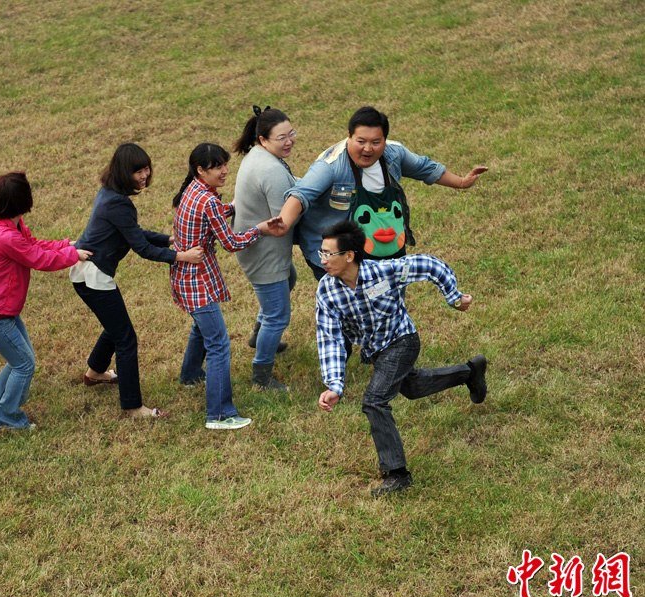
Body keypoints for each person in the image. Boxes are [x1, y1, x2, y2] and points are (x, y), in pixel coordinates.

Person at [315, 221, 488, 496]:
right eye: (320, 252)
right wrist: (335, 384)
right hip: (377, 351)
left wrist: (453, 297)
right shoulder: (327, 290)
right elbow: (330, 337)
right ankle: (470, 373)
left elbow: (429, 265)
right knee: (413, 387)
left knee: (374, 400)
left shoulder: (383, 271)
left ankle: (397, 474)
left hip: (402, 340)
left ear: (349, 255)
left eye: (328, 254)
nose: (322, 260)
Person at [279, 106, 488, 280]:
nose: (368, 149)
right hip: (338, 252)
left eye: (375, 142)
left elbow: (425, 168)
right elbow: (300, 195)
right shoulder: (331, 165)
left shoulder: (394, 154)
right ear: (349, 137)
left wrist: (461, 182)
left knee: (390, 302)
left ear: (385, 140)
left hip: (384, 245)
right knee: (355, 309)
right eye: (361, 141)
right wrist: (284, 223)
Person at [72, 143, 204, 418]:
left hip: (87, 272)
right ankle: (133, 407)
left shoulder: (111, 194)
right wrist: (182, 255)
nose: (145, 175)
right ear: (124, 172)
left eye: (146, 169)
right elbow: (141, 248)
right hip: (93, 276)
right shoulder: (117, 203)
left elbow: (133, 232)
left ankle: (95, 372)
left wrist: (167, 239)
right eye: (138, 171)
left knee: (115, 325)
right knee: (126, 338)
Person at [171, 143, 284, 430]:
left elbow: (214, 214)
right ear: (201, 170)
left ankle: (190, 375)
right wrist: (260, 229)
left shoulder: (193, 191)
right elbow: (231, 243)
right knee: (219, 343)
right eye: (217, 166)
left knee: (201, 327)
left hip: (184, 278)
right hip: (197, 283)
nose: (224, 171)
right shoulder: (207, 201)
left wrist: (235, 206)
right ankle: (219, 414)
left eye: (224, 164)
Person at [0, 172, 91, 431]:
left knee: (20, 360)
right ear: (23, 199)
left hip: (0, 312)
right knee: (24, 364)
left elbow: (33, 245)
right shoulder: (6, 236)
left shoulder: (10, 225)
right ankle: (7, 418)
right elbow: (39, 259)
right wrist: (72, 255)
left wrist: (65, 245)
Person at [232, 105, 299, 390]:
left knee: (290, 278)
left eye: (291, 134)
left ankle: (257, 335)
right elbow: (285, 220)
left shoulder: (258, 155)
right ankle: (261, 375)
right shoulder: (270, 170)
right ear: (263, 139)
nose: (289, 141)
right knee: (278, 315)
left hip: (258, 245)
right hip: (263, 250)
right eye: (281, 138)